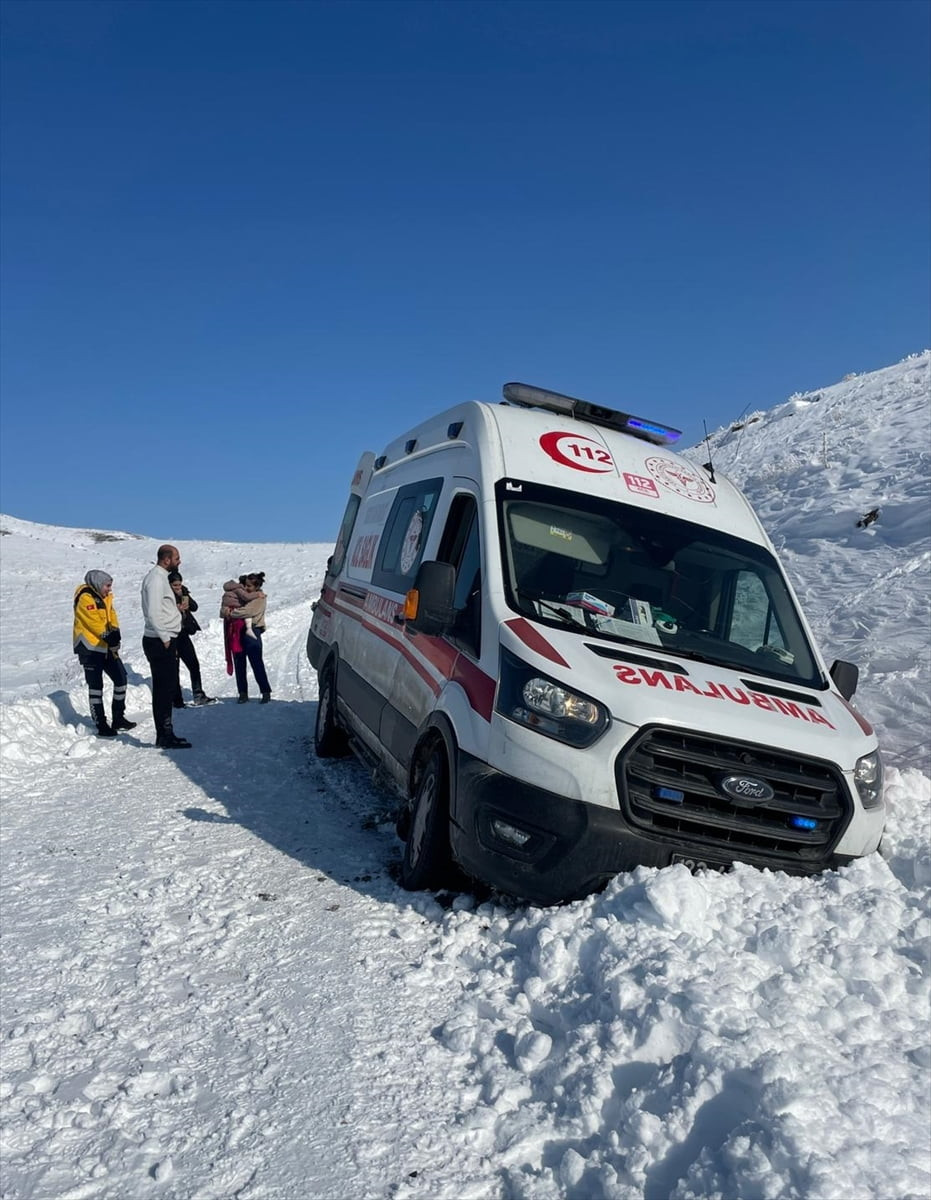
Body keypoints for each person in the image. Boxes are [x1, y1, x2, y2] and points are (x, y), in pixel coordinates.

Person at [73, 570, 137, 738]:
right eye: (107, 586)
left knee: (121, 678)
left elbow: (111, 615)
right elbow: (92, 620)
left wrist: (115, 631)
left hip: (106, 647)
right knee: (96, 687)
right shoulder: (85, 596)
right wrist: (107, 635)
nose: (109, 589)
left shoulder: (106, 597)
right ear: (98, 583)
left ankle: (118, 717)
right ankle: (101, 723)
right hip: (90, 648)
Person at [140, 544, 191, 749]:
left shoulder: (162, 578)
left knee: (168, 688)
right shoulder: (155, 579)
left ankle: (167, 732)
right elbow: (153, 613)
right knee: (162, 690)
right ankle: (163, 735)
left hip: (167, 638)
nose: (179, 561)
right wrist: (165, 638)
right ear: (167, 559)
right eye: (177, 558)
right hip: (159, 641)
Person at [221, 572, 272, 703]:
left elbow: (247, 611)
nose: (246, 589)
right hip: (238, 631)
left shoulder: (259, 598)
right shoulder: (244, 596)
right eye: (245, 585)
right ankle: (242, 692)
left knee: (256, 662)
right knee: (239, 662)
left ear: (257, 586)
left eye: (249, 586)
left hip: (252, 630)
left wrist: (231, 613)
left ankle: (265, 691)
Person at [168, 571, 215, 708]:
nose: (177, 587)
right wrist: (176, 608)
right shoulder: (166, 596)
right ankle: (177, 700)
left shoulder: (183, 592)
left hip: (183, 633)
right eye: (175, 585)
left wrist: (185, 598)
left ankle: (198, 694)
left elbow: (195, 607)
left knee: (193, 664)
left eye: (179, 584)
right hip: (172, 633)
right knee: (174, 668)